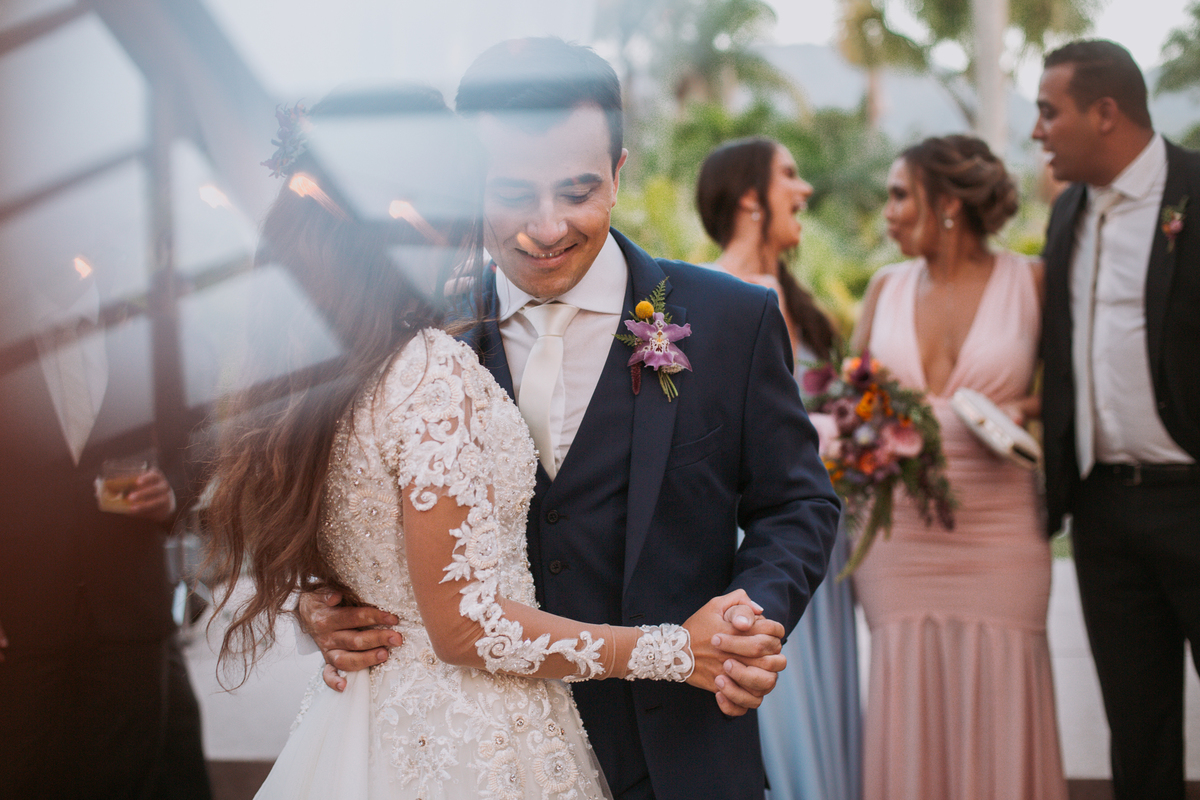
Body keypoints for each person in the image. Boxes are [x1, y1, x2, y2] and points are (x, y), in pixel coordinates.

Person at [296, 39, 842, 800]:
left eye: (577, 189)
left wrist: (753, 614)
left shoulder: (731, 321)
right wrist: (325, 603)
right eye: (511, 191)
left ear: (619, 174)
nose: (546, 227)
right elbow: (359, 507)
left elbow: (798, 502)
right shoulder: (417, 339)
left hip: (681, 750)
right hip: (495, 758)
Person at [851, 134, 1067, 800]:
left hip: (1000, 529)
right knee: (906, 681)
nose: (886, 211)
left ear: (946, 204)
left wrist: (1002, 410)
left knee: (1004, 680)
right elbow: (852, 391)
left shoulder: (1030, 278)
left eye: (898, 195)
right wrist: (864, 425)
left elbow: (1069, 387)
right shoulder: (885, 285)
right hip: (898, 535)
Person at [1034, 39, 1200, 800]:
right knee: (1138, 731)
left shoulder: (1195, 191)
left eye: (1048, 111)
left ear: (1105, 113)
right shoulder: (1067, 211)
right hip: (1102, 511)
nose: (1037, 130)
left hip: (1192, 496)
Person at [0, 257, 211, 795]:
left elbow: (199, 439)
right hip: (19, 625)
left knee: (132, 781)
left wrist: (172, 491)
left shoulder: (150, 334)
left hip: (128, 617)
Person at [695, 136, 861, 800]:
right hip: (760, 546)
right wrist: (833, 433)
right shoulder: (707, 300)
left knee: (829, 704)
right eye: (789, 174)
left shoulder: (798, 297)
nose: (805, 189)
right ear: (748, 197)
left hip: (823, 537)